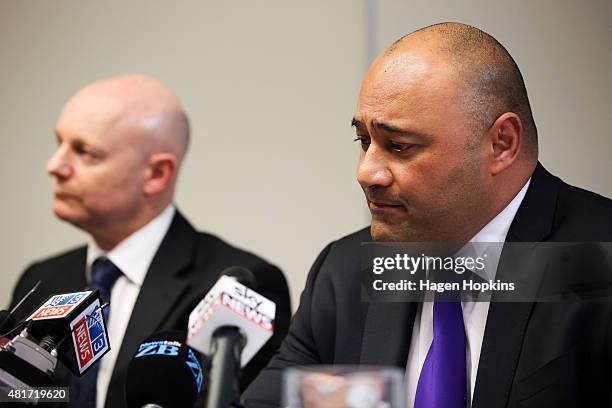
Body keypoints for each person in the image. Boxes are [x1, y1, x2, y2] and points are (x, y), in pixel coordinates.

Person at [242, 23, 612, 407]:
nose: (367, 172)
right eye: (364, 141)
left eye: (399, 146)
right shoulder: (348, 272)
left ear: (501, 144)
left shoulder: (600, 260)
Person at [7, 75, 291, 408]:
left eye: (84, 152)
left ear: (157, 174)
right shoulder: (40, 280)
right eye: (59, 144)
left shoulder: (238, 288)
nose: (54, 166)